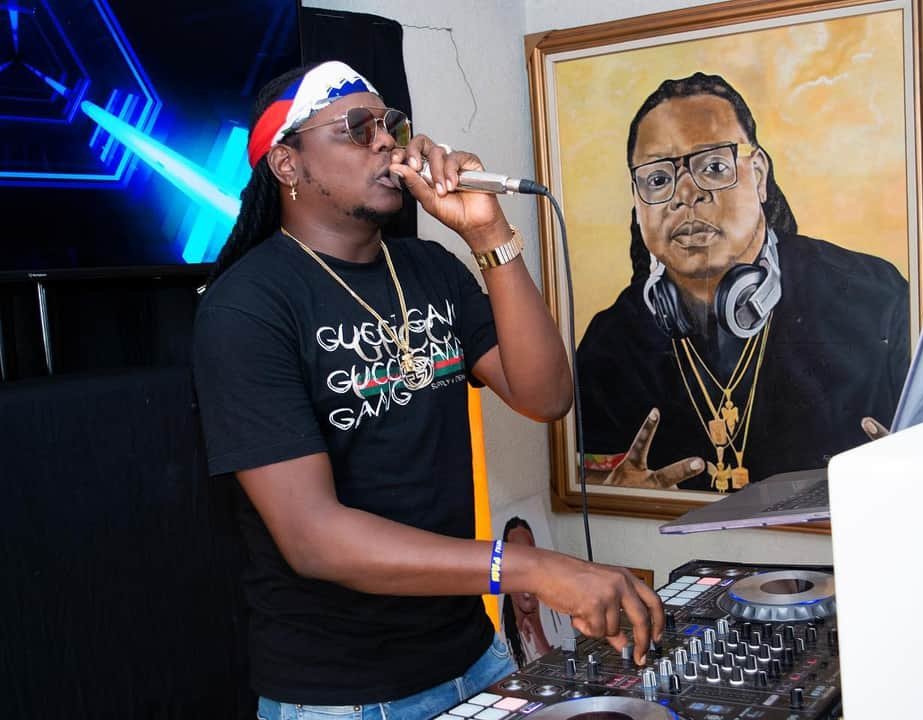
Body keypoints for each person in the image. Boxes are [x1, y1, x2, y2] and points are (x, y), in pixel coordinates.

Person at [192, 61, 663, 720]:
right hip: (346, 696)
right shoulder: (248, 307)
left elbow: (546, 395)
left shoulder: (430, 267)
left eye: (390, 124)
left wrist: (488, 235)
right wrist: (532, 569)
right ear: (287, 163)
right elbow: (313, 536)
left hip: (473, 657)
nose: (387, 140)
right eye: (358, 128)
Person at [577, 72, 910, 492]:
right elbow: (586, 480)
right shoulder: (610, 342)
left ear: (759, 175)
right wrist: (613, 493)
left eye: (714, 167)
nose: (686, 194)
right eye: (658, 179)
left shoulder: (875, 297)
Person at [499, 517, 556, 667]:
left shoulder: (556, 613)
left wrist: (538, 638)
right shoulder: (499, 635)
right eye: (516, 561)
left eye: (529, 558)